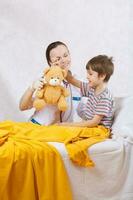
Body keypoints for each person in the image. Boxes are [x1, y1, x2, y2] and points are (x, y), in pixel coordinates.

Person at [19, 41, 81, 125]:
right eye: (58, 59)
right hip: (39, 129)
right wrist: (32, 88)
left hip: (63, 133)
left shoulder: (77, 82)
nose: (63, 60)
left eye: (65, 55)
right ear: (50, 63)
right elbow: (23, 107)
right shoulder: (45, 81)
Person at [60, 55, 114, 129]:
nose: (87, 76)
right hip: (91, 126)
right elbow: (72, 80)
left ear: (102, 76)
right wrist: (63, 69)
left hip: (99, 129)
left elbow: (94, 122)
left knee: (69, 132)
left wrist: (69, 124)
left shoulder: (105, 97)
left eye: (90, 74)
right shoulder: (92, 88)